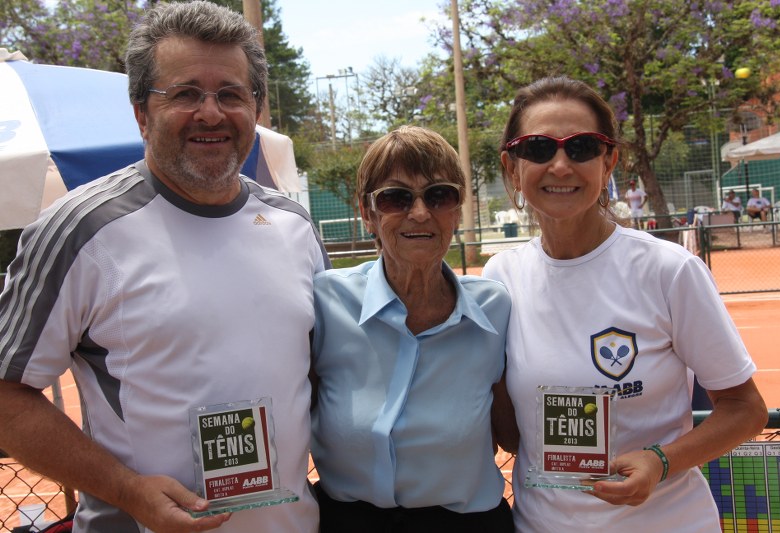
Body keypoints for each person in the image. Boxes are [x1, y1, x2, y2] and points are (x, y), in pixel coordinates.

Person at [0, 2, 328, 532]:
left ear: (256, 107)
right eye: (185, 93)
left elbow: (325, 375)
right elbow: (6, 395)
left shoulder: (295, 227)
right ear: (141, 112)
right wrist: (126, 490)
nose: (211, 113)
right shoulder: (81, 229)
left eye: (231, 94)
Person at [484, 76, 767, 532]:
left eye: (582, 147)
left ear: (609, 161)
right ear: (513, 167)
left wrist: (660, 460)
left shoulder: (669, 270)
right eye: (538, 148)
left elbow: (746, 409)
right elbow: (514, 434)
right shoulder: (500, 278)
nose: (560, 165)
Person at [310, 125, 514, 532]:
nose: (420, 213)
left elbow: (514, 435)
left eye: (439, 195)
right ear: (367, 213)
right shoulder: (325, 303)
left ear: (457, 209)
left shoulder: (496, 309)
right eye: (396, 198)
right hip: (346, 522)